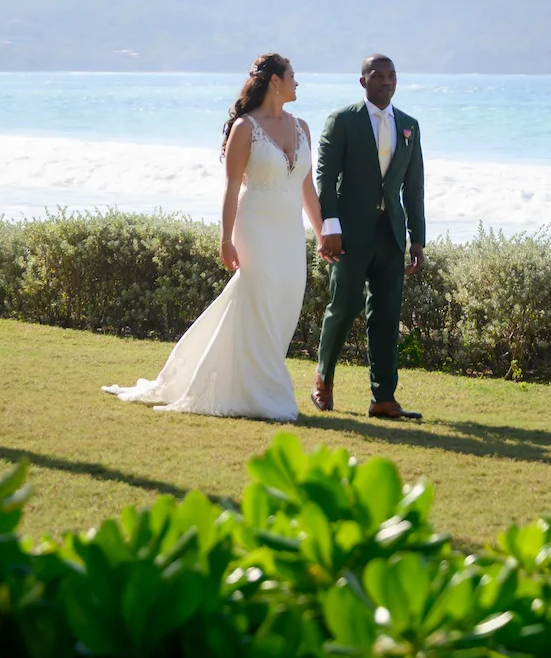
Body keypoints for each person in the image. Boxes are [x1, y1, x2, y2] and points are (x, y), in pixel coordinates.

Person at [102, 52, 323, 419]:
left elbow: (307, 188)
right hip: (255, 230)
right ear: (275, 81)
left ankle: (237, 381)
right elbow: (232, 186)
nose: (297, 82)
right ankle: (266, 393)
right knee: (257, 303)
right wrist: (226, 238)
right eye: (293, 75)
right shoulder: (245, 128)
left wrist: (320, 233)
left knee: (282, 307)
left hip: (289, 234)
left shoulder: (302, 127)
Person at [311, 53, 426, 420]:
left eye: (392, 76)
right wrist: (330, 228)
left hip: (390, 235)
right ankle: (322, 382)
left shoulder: (409, 125)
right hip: (349, 235)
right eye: (379, 76)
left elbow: (414, 186)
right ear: (363, 81)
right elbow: (325, 178)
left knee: (388, 316)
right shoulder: (342, 121)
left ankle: (383, 398)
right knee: (343, 308)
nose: (387, 82)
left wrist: (417, 237)